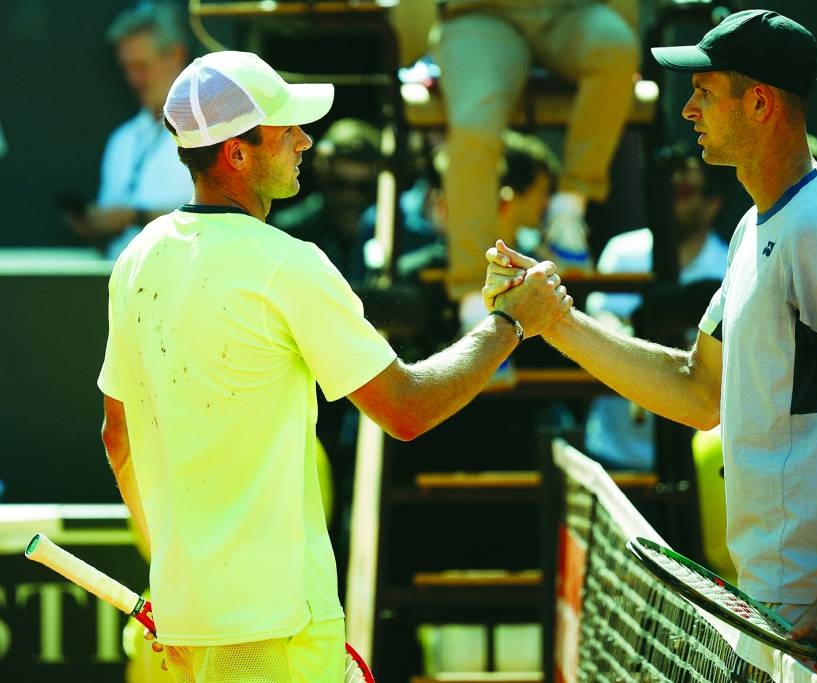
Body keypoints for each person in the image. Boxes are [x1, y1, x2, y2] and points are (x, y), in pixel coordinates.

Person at [485, 10, 817, 679]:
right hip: (789, 599)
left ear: (759, 103)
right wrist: (557, 322)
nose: (688, 109)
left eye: (704, 90)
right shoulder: (757, 226)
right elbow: (700, 391)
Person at [98, 50, 571, 683]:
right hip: (280, 627)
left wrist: (171, 576)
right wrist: (511, 324)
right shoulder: (289, 264)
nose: (304, 139)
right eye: (285, 128)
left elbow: (117, 435)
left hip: (189, 621)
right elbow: (407, 408)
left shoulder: (136, 259)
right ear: (236, 153)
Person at [429, 0, 640, 332]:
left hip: (568, 12)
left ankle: (567, 213)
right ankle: (475, 306)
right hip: (480, 15)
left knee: (618, 48)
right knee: (473, 127)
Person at [583, 147, 729, 471]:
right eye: (667, 189)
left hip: (695, 455)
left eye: (685, 191)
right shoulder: (623, 251)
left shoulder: (728, 265)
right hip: (613, 448)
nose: (672, 199)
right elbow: (601, 316)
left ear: (713, 204)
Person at [64, 2, 193, 260]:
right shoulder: (122, 140)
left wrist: (134, 217)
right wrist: (97, 225)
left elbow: (222, 218)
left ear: (176, 55)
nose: (135, 79)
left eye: (142, 66)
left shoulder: (213, 132)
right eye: (127, 69)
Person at [271, 117, 381, 285]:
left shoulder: (393, 228)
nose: (348, 197)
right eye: (339, 184)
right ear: (322, 175)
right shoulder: (290, 230)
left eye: (362, 187)